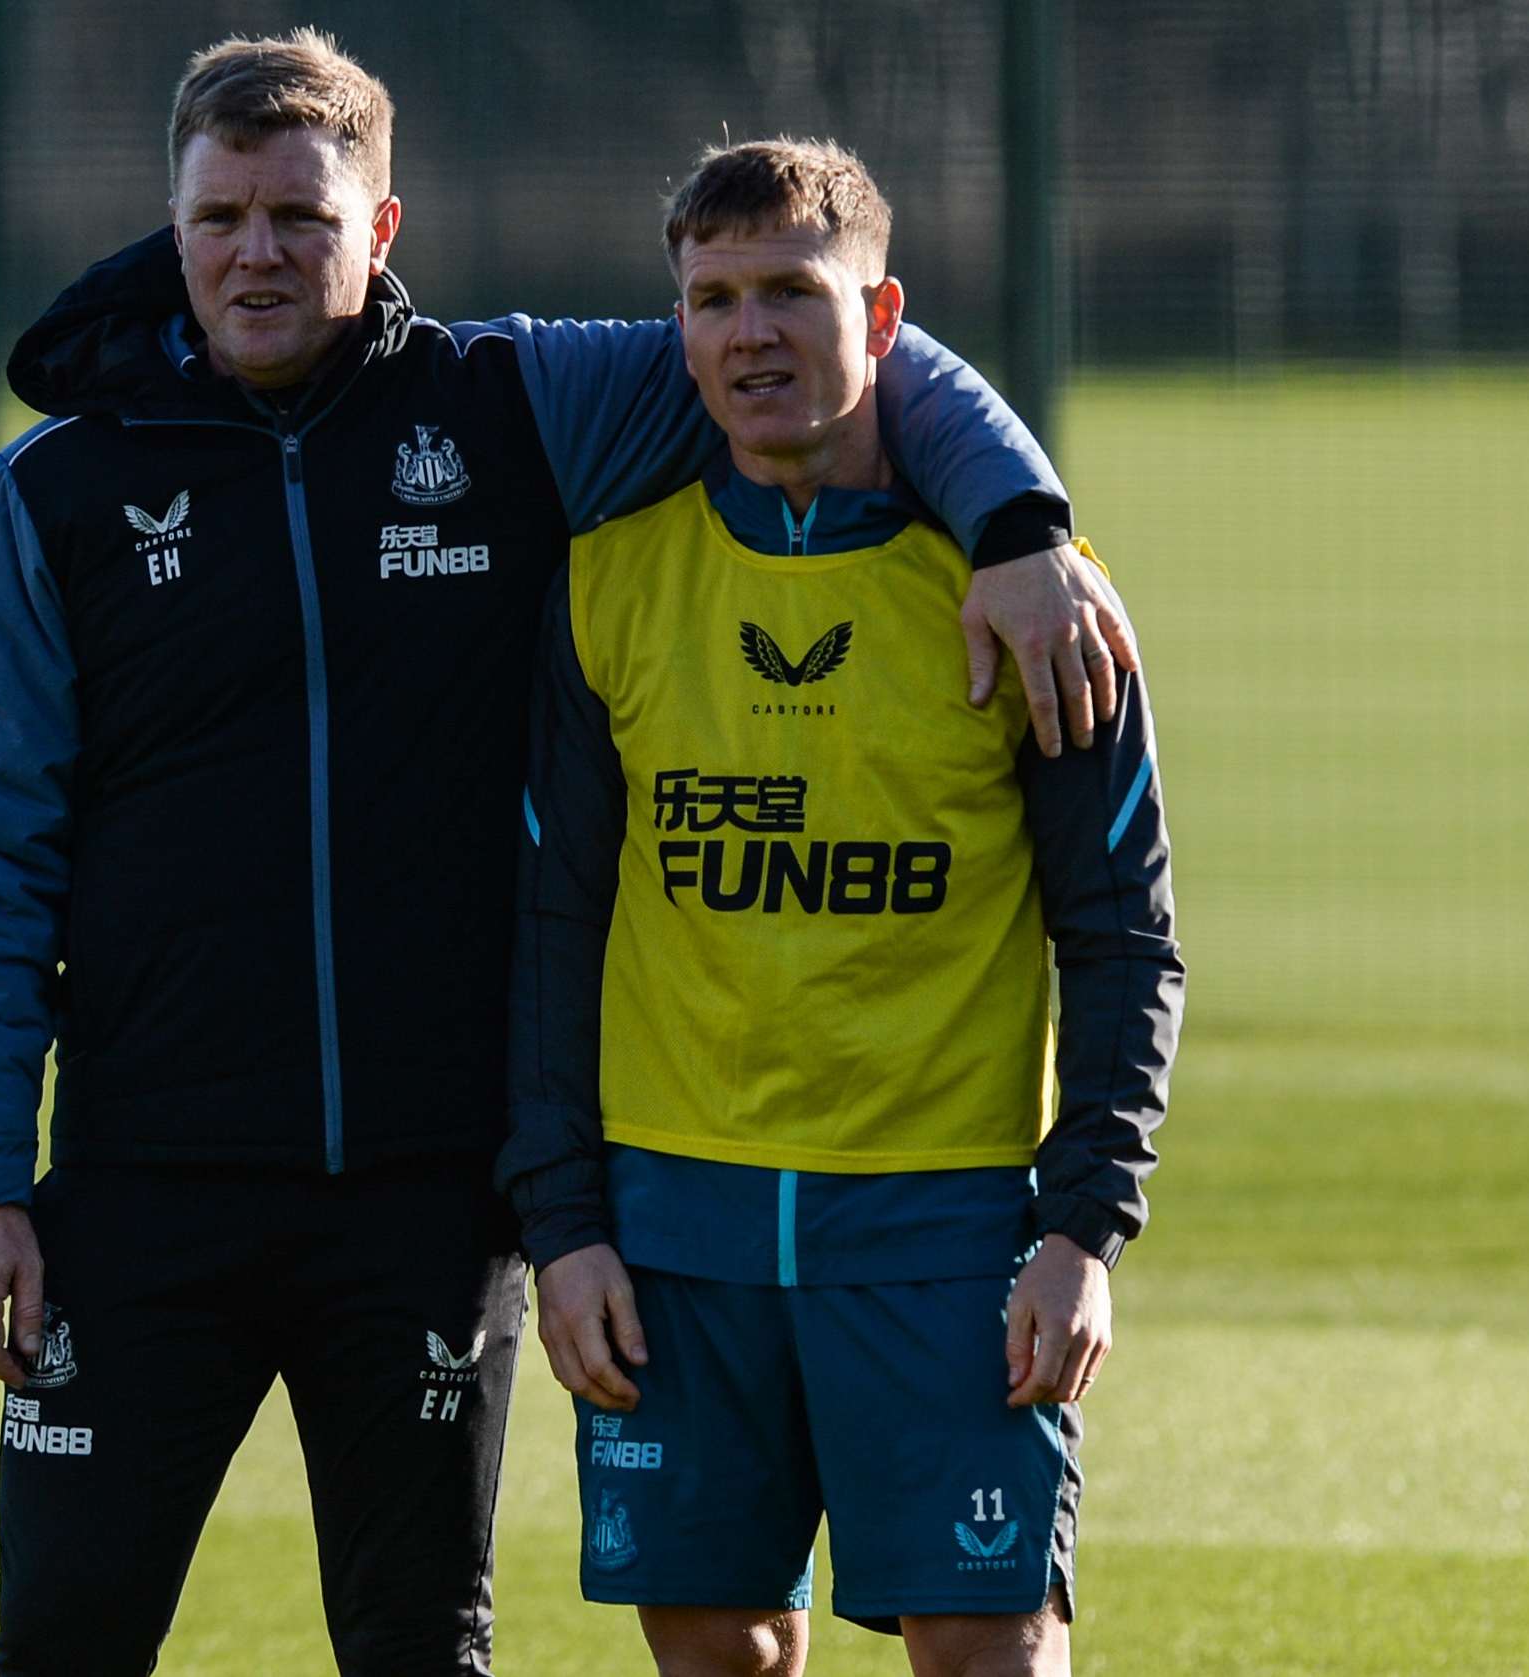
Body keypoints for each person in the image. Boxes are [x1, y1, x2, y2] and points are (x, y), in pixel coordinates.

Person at [0, 30, 1139, 1676]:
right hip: (137, 1187)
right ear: (172, 224)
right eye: (218, 218)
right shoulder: (53, 493)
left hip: (426, 1194)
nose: (256, 252)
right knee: (60, 1641)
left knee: (422, 1646)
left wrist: (1017, 527)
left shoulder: (511, 403)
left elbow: (820, 346)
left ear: (382, 226)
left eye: (301, 214)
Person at [503, 138, 1183, 1677]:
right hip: (673, 1226)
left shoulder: (1034, 604)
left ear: (881, 320)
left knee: (984, 1649)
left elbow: (1124, 935)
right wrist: (562, 1228)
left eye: (791, 294)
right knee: (719, 1651)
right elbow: (549, 930)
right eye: (713, 298)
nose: (751, 334)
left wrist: (1082, 1224)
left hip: (942, 1226)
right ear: (675, 329)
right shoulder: (606, 587)